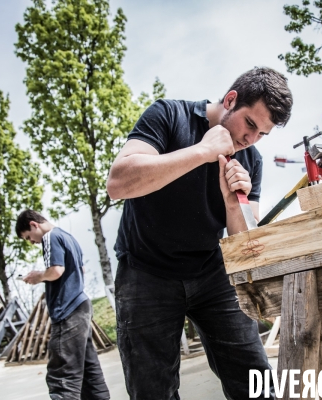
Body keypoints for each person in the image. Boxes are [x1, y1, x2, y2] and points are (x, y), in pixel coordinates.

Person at [106, 67, 293, 400]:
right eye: (250, 124)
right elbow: (118, 183)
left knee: (256, 383)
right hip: (146, 272)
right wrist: (203, 152)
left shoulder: (251, 160)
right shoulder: (169, 115)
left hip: (211, 274)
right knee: (152, 390)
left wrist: (235, 204)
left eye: (262, 133)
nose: (251, 139)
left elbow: (245, 245)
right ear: (231, 100)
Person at [15, 210, 110, 400]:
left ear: (34, 225)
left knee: (62, 376)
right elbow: (80, 269)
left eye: (28, 237)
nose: (32, 242)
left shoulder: (50, 237)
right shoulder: (68, 237)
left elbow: (56, 270)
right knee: (89, 370)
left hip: (67, 310)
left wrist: (38, 276)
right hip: (81, 306)